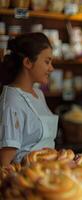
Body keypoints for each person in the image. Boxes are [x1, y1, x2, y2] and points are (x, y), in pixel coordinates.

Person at [0, 33, 57, 165]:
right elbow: (4, 164)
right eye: (47, 62)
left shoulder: (38, 94)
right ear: (27, 62)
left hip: (49, 173)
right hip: (29, 178)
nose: (51, 68)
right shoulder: (11, 101)